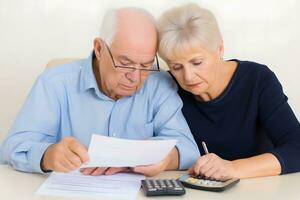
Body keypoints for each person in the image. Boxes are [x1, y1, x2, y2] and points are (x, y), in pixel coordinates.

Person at [0, 7, 200, 176]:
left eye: (146, 65)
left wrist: (165, 158)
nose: (136, 77)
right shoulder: (54, 83)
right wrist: (47, 155)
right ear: (99, 48)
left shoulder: (159, 85)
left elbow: (188, 148)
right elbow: (12, 148)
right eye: (125, 63)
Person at [157, 3, 300, 180]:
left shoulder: (257, 80)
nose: (188, 77)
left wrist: (233, 168)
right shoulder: (165, 88)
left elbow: (296, 147)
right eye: (176, 66)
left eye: (197, 63)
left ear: (220, 49)